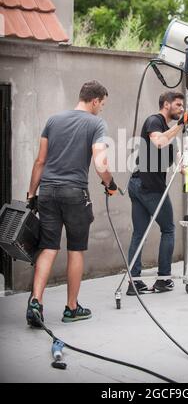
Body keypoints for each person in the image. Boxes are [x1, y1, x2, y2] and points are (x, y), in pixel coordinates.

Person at [26, 80, 117, 327]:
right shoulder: (96, 123)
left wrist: (31, 194)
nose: (102, 109)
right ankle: (72, 308)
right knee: (76, 249)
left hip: (46, 192)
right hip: (74, 194)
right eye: (102, 104)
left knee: (48, 247)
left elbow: (39, 161)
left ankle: (35, 302)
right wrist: (110, 184)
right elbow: (100, 163)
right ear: (95, 100)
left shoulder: (53, 120)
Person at [126, 90, 188, 295]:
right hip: (149, 188)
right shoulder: (154, 120)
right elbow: (158, 141)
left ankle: (133, 283)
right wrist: (181, 125)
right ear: (166, 104)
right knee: (168, 229)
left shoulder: (169, 131)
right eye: (178, 105)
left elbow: (178, 160)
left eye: (182, 105)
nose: (181, 109)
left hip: (139, 185)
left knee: (139, 234)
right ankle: (163, 280)